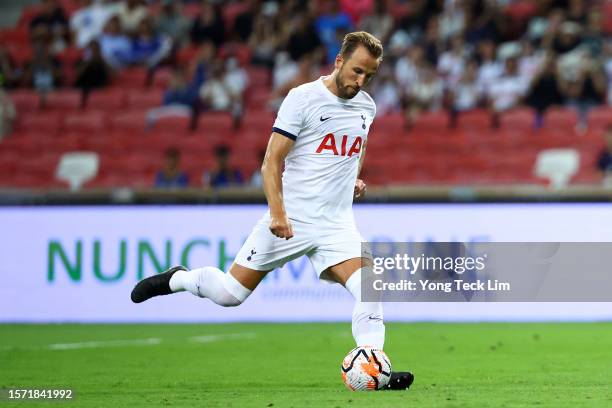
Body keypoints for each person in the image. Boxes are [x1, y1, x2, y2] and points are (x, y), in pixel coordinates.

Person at [131, 31, 413, 391]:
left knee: (370, 286)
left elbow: (354, 151)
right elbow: (271, 161)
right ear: (339, 61)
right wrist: (277, 213)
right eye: (357, 71)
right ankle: (181, 278)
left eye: (369, 76)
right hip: (291, 218)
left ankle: (374, 368)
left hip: (336, 225)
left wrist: (354, 179)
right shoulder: (303, 98)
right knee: (230, 294)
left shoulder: (366, 107)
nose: (361, 82)